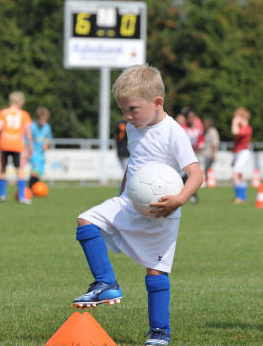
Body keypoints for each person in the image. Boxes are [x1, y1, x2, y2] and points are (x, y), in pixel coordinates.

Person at [71, 65, 202, 346]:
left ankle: (159, 332)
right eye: (123, 110)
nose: (127, 117)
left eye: (132, 109)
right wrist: (121, 190)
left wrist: (179, 200)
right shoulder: (133, 127)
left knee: (155, 272)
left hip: (161, 212)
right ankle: (106, 283)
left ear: (157, 103)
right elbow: (134, 163)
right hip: (129, 203)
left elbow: (195, 173)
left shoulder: (173, 132)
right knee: (86, 220)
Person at [0, 91, 33, 204]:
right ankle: (21, 196)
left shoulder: (2, 113)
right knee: (19, 169)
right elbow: (27, 131)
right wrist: (30, 146)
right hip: (17, 144)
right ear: (20, 102)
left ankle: (2, 195)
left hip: (4, 143)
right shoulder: (23, 114)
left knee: (3, 168)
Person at [231, 107, 253, 204]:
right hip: (239, 153)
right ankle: (243, 197)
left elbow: (235, 132)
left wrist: (234, 122)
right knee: (240, 175)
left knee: (235, 174)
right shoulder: (244, 128)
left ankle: (239, 197)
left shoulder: (246, 128)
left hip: (243, 152)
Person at [28, 107, 53, 189]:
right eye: (42, 119)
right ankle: (30, 190)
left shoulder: (47, 127)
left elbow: (49, 138)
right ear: (38, 118)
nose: (43, 121)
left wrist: (47, 144)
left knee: (39, 174)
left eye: (45, 119)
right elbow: (26, 139)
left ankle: (34, 190)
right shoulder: (32, 126)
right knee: (35, 172)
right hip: (33, 153)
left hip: (41, 154)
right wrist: (27, 150)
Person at [202, 117, 220, 185]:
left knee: (208, 168)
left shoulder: (213, 131)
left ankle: (208, 182)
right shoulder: (207, 132)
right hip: (206, 153)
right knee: (206, 168)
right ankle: (207, 181)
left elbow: (215, 144)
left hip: (210, 154)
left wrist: (213, 154)